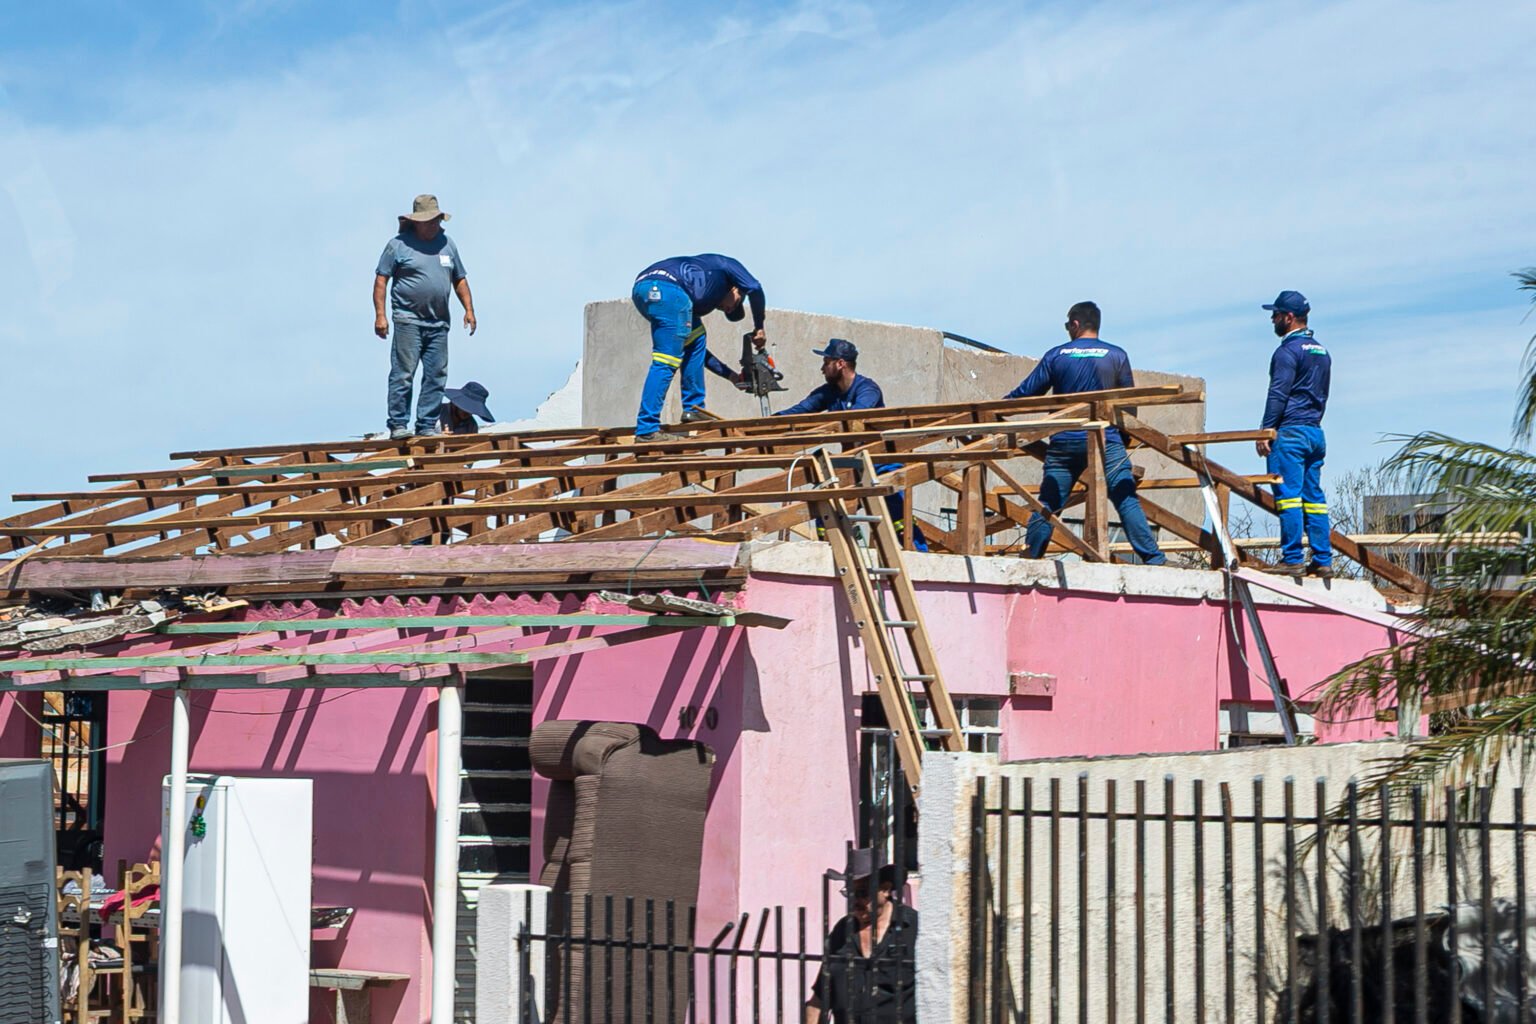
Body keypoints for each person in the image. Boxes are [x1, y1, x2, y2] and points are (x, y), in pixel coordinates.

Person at [1004, 301, 1166, 565]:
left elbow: (1027, 393)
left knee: (1049, 501)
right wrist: (1122, 439)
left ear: (1076, 324)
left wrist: (999, 410)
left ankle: (1032, 556)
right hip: (1105, 441)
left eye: (1068, 325)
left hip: (1065, 441)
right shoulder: (1117, 355)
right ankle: (1153, 559)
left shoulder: (1057, 355)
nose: (1067, 329)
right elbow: (1128, 405)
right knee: (1125, 498)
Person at [776, 339, 927, 551]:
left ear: (840, 364)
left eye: (826, 362)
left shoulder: (867, 389)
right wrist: (772, 422)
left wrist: (828, 424)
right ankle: (832, 550)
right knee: (824, 497)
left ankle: (919, 554)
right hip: (852, 464)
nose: (822, 368)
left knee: (898, 516)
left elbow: (857, 415)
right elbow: (801, 410)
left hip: (880, 462)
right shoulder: (828, 392)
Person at [632, 254, 766, 441]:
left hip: (644, 288)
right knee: (665, 361)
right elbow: (755, 288)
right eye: (733, 305)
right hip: (667, 288)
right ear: (736, 289)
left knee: (696, 339)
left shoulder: (697, 301)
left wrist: (731, 376)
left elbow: (698, 354)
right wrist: (759, 327)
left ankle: (694, 409)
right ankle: (646, 429)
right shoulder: (727, 266)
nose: (725, 309)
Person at [373, 194, 476, 439]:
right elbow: (381, 280)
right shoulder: (397, 245)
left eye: (437, 220)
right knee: (404, 372)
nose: (434, 225)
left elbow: (459, 279)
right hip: (408, 319)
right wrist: (381, 315)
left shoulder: (447, 245)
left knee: (436, 374)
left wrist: (469, 310)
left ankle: (427, 424)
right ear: (416, 222)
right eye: (429, 221)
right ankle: (398, 423)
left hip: (438, 323)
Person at [1256, 290, 1333, 577]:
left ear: (1289, 318)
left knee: (1288, 496)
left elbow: (1278, 393)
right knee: (1314, 497)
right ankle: (1323, 559)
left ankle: (1292, 558)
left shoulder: (1286, 352)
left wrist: (1266, 428)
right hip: (1315, 431)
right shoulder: (1322, 352)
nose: (1272, 320)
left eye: (1275, 315)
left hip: (1290, 433)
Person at [805, 849, 918, 1024]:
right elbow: (819, 998)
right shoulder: (843, 931)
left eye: (862, 893)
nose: (854, 901)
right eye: (849, 893)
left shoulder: (913, 929)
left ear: (886, 889)